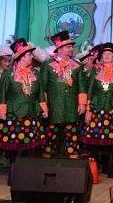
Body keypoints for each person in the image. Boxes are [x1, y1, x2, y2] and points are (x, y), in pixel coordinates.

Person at [0, 40, 44, 169]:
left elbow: (40, 93)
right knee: (14, 146)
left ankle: (26, 172)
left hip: (31, 113)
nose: (32, 56)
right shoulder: (9, 74)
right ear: (21, 57)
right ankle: (13, 170)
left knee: (29, 146)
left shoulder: (36, 73)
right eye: (29, 54)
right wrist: (2, 111)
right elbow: (2, 95)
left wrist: (43, 107)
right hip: (14, 114)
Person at [39, 30, 84, 158]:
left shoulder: (77, 65)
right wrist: (43, 105)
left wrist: (82, 103)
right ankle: (47, 155)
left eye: (71, 47)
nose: (71, 49)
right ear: (59, 48)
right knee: (50, 130)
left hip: (71, 105)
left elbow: (82, 86)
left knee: (71, 130)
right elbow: (42, 86)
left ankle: (73, 155)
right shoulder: (48, 64)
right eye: (68, 47)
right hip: (53, 104)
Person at [82, 42, 113, 177]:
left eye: (109, 54)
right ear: (101, 57)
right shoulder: (95, 71)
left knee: (112, 141)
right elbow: (90, 92)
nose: (106, 56)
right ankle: (93, 170)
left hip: (112, 110)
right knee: (94, 141)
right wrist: (88, 110)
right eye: (104, 54)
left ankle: (110, 169)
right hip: (96, 109)